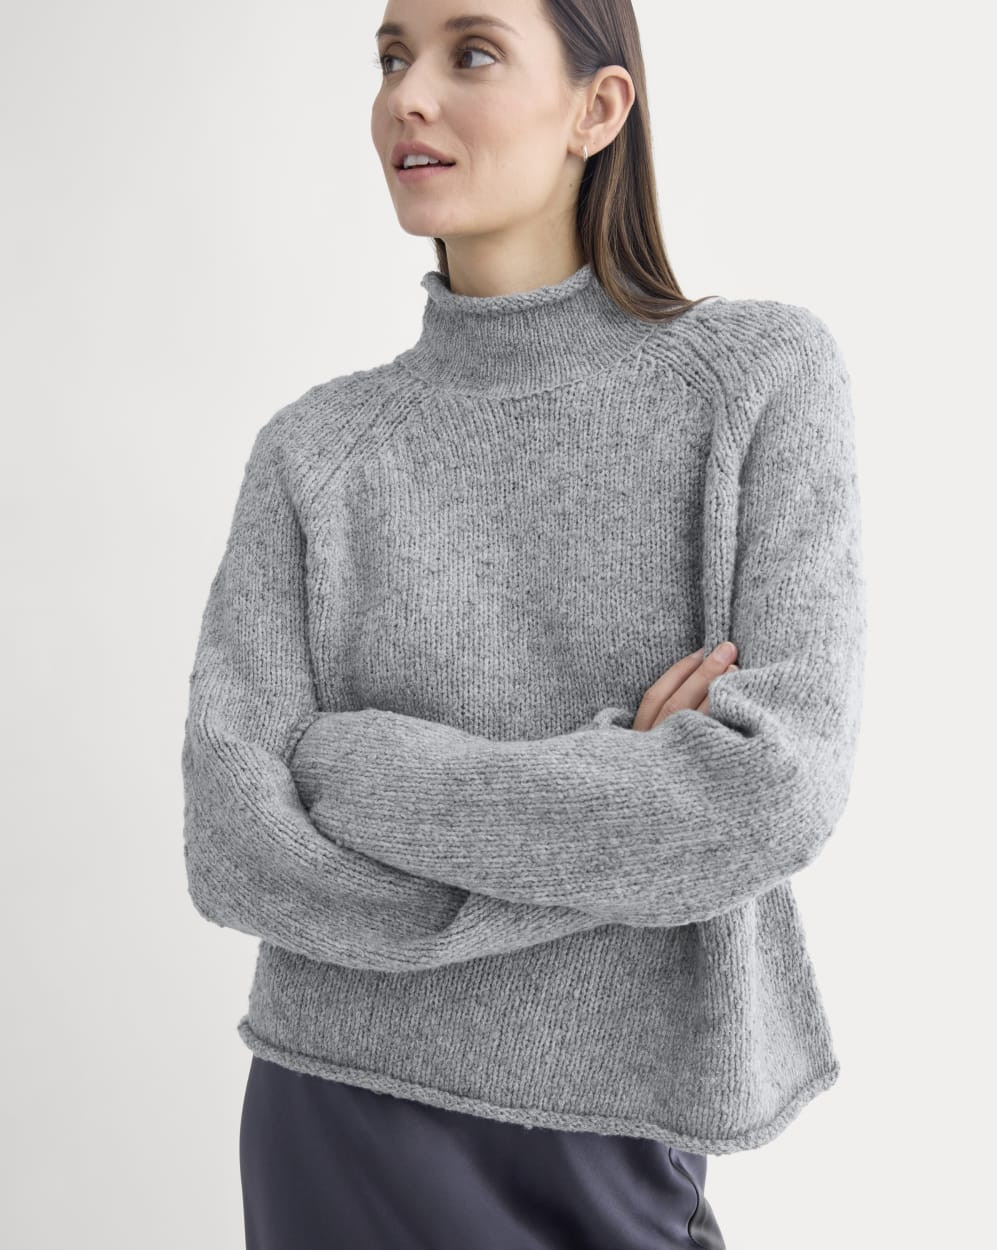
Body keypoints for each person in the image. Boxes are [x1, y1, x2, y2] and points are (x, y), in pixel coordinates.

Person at [180, 1, 866, 1247]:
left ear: (597, 109)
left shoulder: (759, 381)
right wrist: (627, 797)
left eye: (472, 52)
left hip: (608, 1142)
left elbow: (774, 792)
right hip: (333, 1113)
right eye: (392, 57)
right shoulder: (312, 452)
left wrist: (353, 765)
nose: (407, 95)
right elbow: (235, 846)